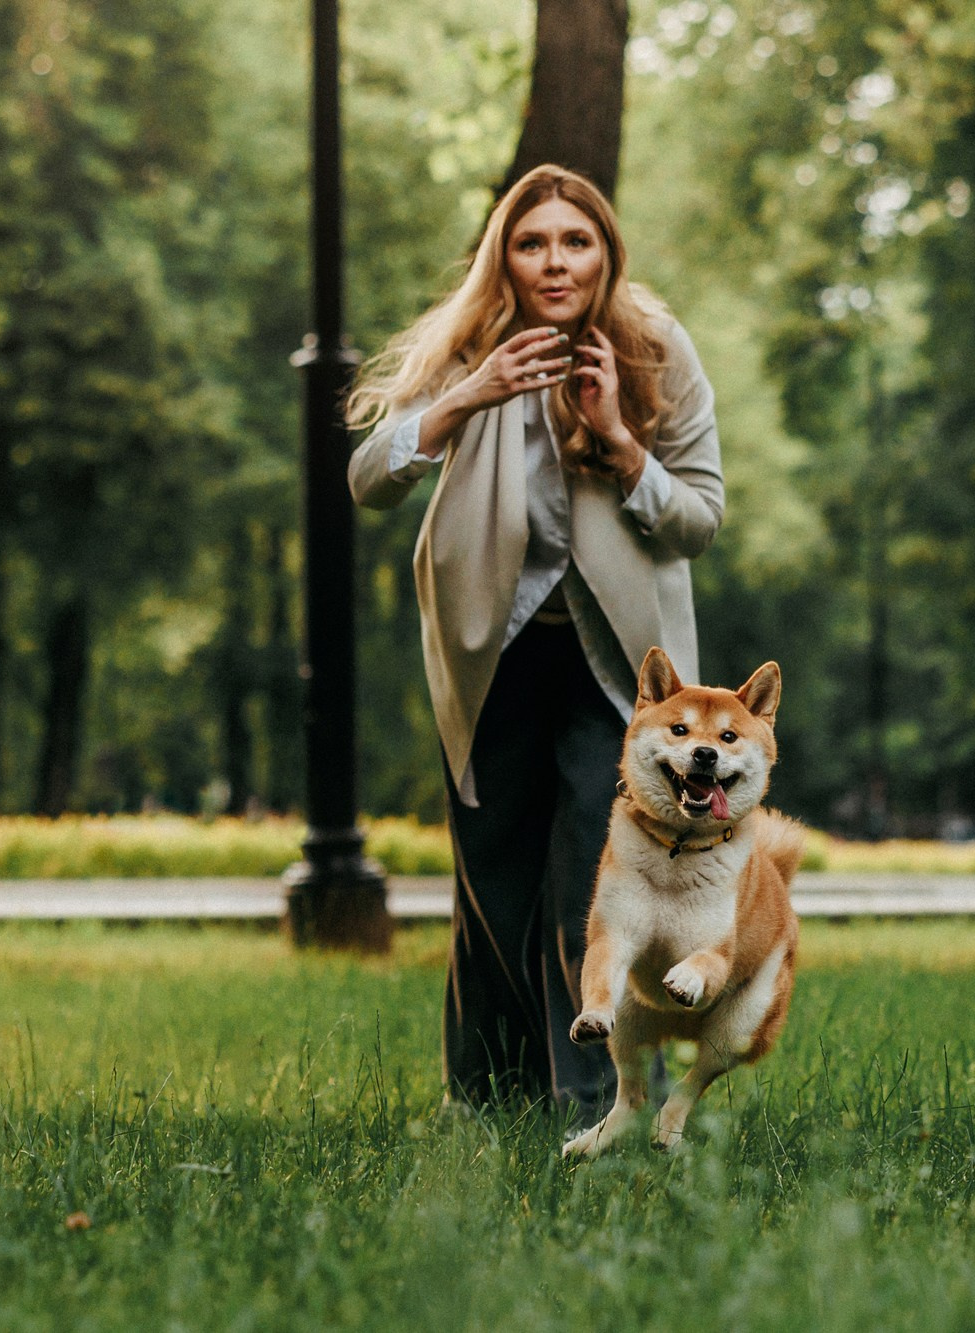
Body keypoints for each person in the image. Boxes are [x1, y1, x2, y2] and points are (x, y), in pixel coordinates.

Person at [345, 165, 724, 1122]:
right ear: (504, 256)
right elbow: (369, 478)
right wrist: (469, 396)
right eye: (532, 242)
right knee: (493, 884)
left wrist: (621, 443)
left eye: (575, 242)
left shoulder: (654, 348)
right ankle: (489, 1103)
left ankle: (602, 1100)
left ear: (605, 252)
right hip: (491, 655)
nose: (555, 262)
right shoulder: (467, 343)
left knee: (593, 882)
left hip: (618, 666)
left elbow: (700, 519)